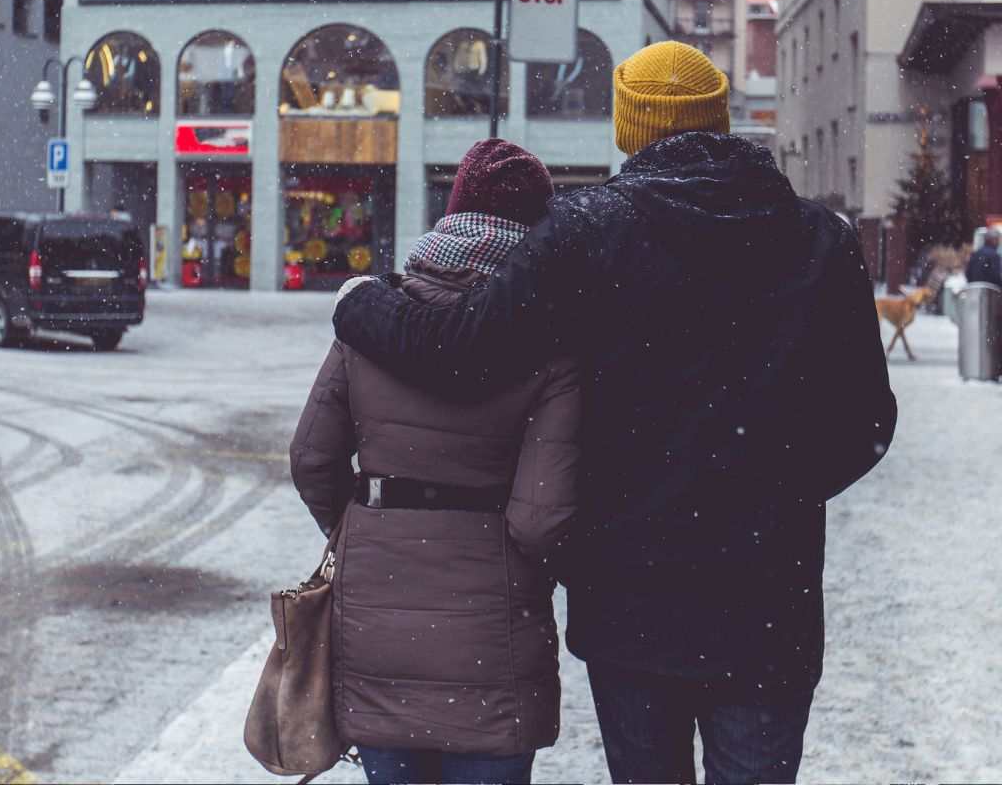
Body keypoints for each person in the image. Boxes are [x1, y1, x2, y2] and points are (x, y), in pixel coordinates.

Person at [332, 42, 897, 784]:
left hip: (631, 596)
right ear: (719, 119)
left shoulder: (588, 230)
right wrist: (770, 493)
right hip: (767, 601)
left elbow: (462, 353)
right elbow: (866, 423)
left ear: (630, 127)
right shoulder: (820, 239)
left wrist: (360, 302)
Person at [290, 139, 581, 785]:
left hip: (377, 624)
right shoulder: (551, 342)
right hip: (492, 639)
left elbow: (312, 458)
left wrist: (365, 528)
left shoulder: (369, 321)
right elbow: (542, 518)